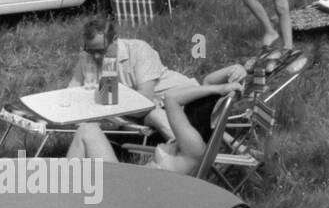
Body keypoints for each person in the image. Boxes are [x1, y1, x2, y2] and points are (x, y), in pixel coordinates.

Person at [69, 16, 243, 139]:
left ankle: (189, 156)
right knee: (153, 115)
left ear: (115, 40)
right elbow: (71, 94)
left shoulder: (138, 50)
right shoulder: (88, 57)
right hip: (150, 109)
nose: (96, 57)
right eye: (90, 50)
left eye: (101, 50)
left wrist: (105, 100)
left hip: (186, 102)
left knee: (154, 115)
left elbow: (144, 102)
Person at [67, 70, 247, 176]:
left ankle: (62, 198)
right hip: (134, 182)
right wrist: (234, 71)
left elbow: (171, 98)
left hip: (130, 194)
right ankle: (67, 193)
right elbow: (206, 83)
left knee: (87, 130)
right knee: (87, 130)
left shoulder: (193, 144)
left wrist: (221, 89)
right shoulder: (203, 141)